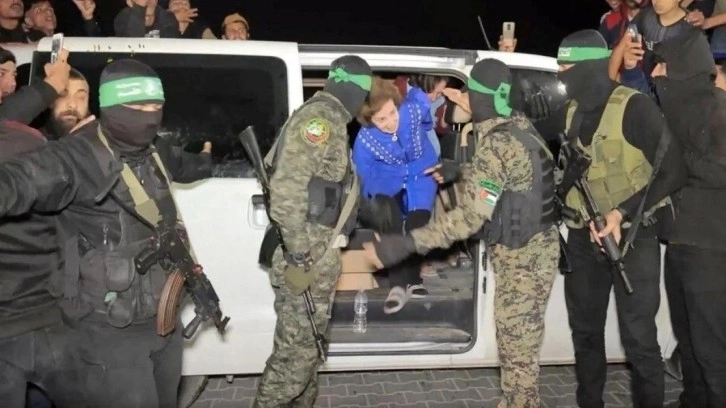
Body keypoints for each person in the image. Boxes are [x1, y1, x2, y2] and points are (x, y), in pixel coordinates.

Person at [0, 58, 212, 408]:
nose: (148, 116)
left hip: (164, 321)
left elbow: (186, 165)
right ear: (111, 108)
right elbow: (17, 183)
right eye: (136, 108)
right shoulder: (75, 156)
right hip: (110, 333)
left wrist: (207, 159)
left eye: (155, 107)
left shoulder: (156, 150)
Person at [362, 58, 559, 408]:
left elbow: (469, 218)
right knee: (518, 351)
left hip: (523, 263)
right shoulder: (519, 125)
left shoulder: (497, 144)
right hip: (534, 252)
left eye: (470, 95)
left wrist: (405, 244)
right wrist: (463, 170)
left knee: (518, 356)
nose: (464, 101)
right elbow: (507, 174)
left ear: (482, 99)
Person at [556, 29, 687, 408]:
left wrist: (620, 212)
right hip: (584, 238)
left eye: (566, 68)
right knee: (585, 333)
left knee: (639, 339)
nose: (561, 76)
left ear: (588, 67)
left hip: (633, 237)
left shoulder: (635, 107)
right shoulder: (571, 111)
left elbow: (674, 171)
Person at [253, 55, 372, 407]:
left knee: (309, 351)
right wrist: (299, 255)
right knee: (294, 361)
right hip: (306, 258)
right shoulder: (320, 119)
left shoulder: (330, 117)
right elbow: (287, 189)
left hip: (315, 253)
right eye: (363, 93)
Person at [651, 27, 726, 408]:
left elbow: (720, 171)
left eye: (663, 66)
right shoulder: (683, 109)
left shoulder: (718, 111)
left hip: (709, 247)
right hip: (681, 240)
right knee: (688, 336)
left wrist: (680, 163)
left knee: (711, 346)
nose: (656, 73)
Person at [353, 76, 438, 313]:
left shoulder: (413, 110)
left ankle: (414, 280)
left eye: (392, 113)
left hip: (421, 171)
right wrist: (373, 203)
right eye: (381, 119)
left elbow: (426, 119)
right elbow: (364, 175)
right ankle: (397, 286)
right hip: (386, 178)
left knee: (417, 225)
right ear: (369, 120)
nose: (391, 122)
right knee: (390, 225)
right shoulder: (365, 140)